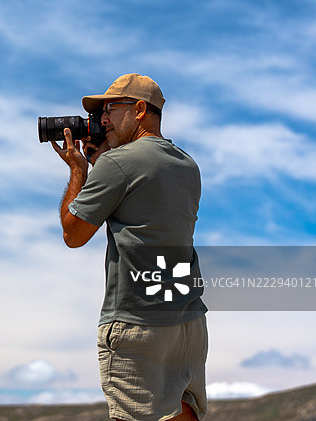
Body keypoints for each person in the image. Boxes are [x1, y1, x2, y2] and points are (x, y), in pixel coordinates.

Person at [51, 73, 208, 421]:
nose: (102, 119)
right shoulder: (187, 165)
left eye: (110, 109)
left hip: (137, 319)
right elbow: (143, 203)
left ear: (139, 110)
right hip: (186, 319)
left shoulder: (116, 163)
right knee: (183, 412)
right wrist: (102, 163)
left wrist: (80, 169)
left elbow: (73, 234)